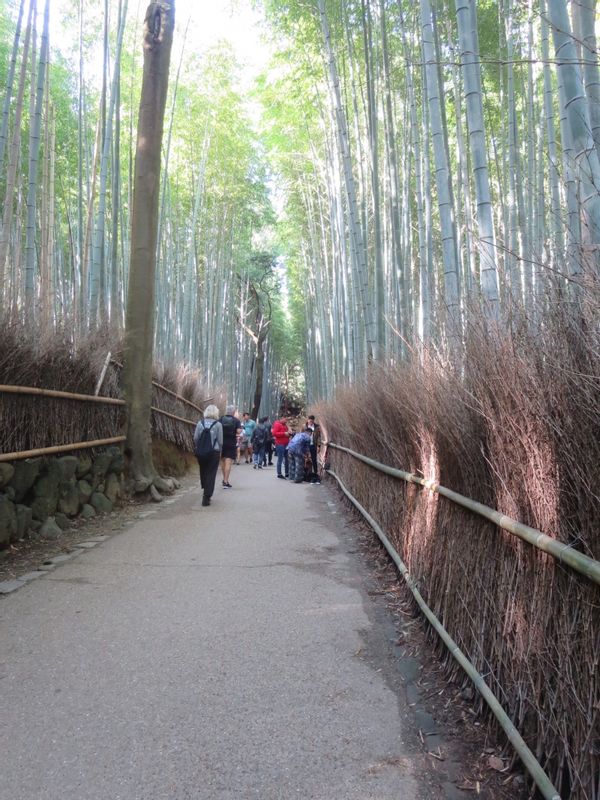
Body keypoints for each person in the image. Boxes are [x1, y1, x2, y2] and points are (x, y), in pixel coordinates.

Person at [193, 405, 223, 506]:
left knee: (204, 470)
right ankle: (207, 496)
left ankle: (205, 488)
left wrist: (200, 447)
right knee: (211, 473)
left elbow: (196, 438)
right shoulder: (218, 425)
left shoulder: (200, 423)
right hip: (214, 452)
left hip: (201, 452)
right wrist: (220, 452)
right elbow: (220, 441)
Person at [220, 404, 242, 488]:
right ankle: (225, 481)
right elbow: (239, 431)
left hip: (221, 442)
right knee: (228, 462)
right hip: (231, 442)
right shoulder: (236, 420)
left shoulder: (221, 419)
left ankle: (224, 479)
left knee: (222, 461)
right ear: (233, 412)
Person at [272, 414, 292, 479]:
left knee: (287, 459)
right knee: (280, 458)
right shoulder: (277, 424)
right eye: (285, 419)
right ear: (282, 418)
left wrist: (289, 432)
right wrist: (284, 433)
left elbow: (287, 433)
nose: (286, 421)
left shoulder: (285, 425)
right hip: (280, 444)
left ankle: (287, 473)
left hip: (286, 444)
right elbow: (274, 433)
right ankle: (279, 473)